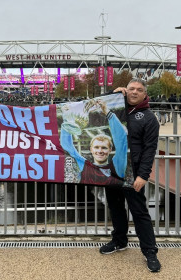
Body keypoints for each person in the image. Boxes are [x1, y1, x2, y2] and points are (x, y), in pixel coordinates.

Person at [99, 78, 161, 273]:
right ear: (126, 90)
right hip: (113, 170)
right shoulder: (118, 108)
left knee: (139, 212)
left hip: (132, 173)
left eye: (139, 90)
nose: (134, 92)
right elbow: (94, 104)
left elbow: (150, 149)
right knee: (116, 207)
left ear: (144, 94)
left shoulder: (149, 118)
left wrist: (143, 175)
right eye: (131, 88)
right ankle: (119, 241)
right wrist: (112, 92)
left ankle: (150, 252)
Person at [60, 98, 127, 186]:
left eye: (104, 147)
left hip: (113, 198)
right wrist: (67, 118)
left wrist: (107, 112)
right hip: (88, 199)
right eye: (96, 147)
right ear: (91, 149)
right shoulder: (84, 165)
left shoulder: (118, 166)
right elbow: (67, 146)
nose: (100, 151)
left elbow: (121, 140)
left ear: (110, 150)